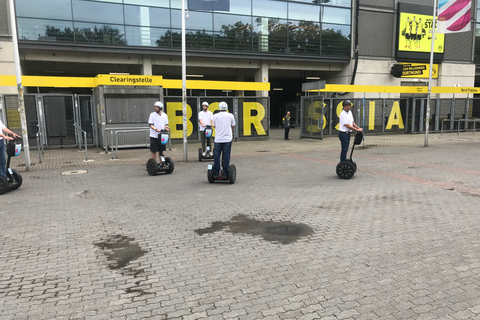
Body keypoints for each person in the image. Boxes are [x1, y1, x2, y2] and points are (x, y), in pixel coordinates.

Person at [212, 101, 235, 176]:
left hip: (218, 139)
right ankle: (225, 172)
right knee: (226, 155)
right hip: (227, 139)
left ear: (219, 108)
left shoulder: (215, 116)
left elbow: (214, 126)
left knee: (216, 155)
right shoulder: (230, 115)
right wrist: (231, 132)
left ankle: (216, 171)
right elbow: (233, 125)